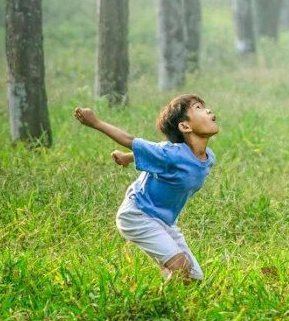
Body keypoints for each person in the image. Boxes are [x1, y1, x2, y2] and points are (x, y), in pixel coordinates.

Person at [74, 95, 218, 280]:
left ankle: (169, 283)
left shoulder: (208, 157)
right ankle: (153, 305)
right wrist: (96, 122)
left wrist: (127, 157)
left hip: (164, 222)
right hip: (138, 214)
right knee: (181, 268)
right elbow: (130, 140)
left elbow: (157, 154)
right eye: (198, 108)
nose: (208, 110)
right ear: (185, 126)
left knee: (194, 278)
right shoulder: (171, 154)